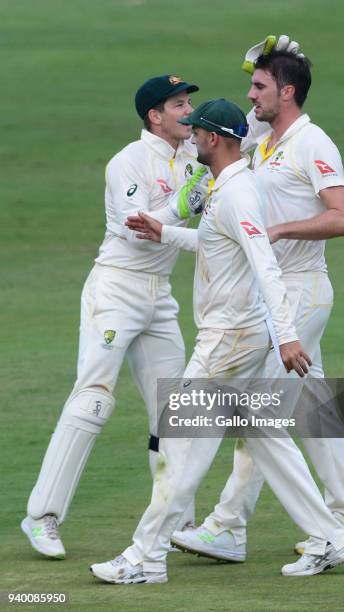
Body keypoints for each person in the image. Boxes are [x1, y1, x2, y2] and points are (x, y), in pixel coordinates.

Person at [90, 98, 344, 584]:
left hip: (228, 339)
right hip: (238, 334)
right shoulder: (230, 187)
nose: (190, 138)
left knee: (181, 443)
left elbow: (264, 264)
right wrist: (165, 231)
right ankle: (332, 538)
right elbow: (216, 243)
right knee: (265, 435)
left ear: (214, 139)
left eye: (196, 132)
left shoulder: (235, 193)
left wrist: (289, 337)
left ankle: (144, 558)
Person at [169, 48, 344, 564]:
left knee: (256, 411)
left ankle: (228, 525)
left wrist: (279, 230)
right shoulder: (264, 140)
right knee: (315, 411)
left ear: (286, 93)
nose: (249, 95)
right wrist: (257, 59)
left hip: (300, 288)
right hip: (279, 290)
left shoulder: (312, 142)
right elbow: (230, 137)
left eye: (260, 87)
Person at [21, 74, 201, 559]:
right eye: (178, 105)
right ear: (154, 116)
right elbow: (135, 229)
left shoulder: (191, 156)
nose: (188, 112)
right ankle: (42, 517)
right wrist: (185, 203)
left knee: (173, 410)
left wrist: (273, 65)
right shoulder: (129, 161)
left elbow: (244, 129)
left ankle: (178, 519)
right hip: (116, 289)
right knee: (93, 401)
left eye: (189, 104)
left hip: (160, 295)